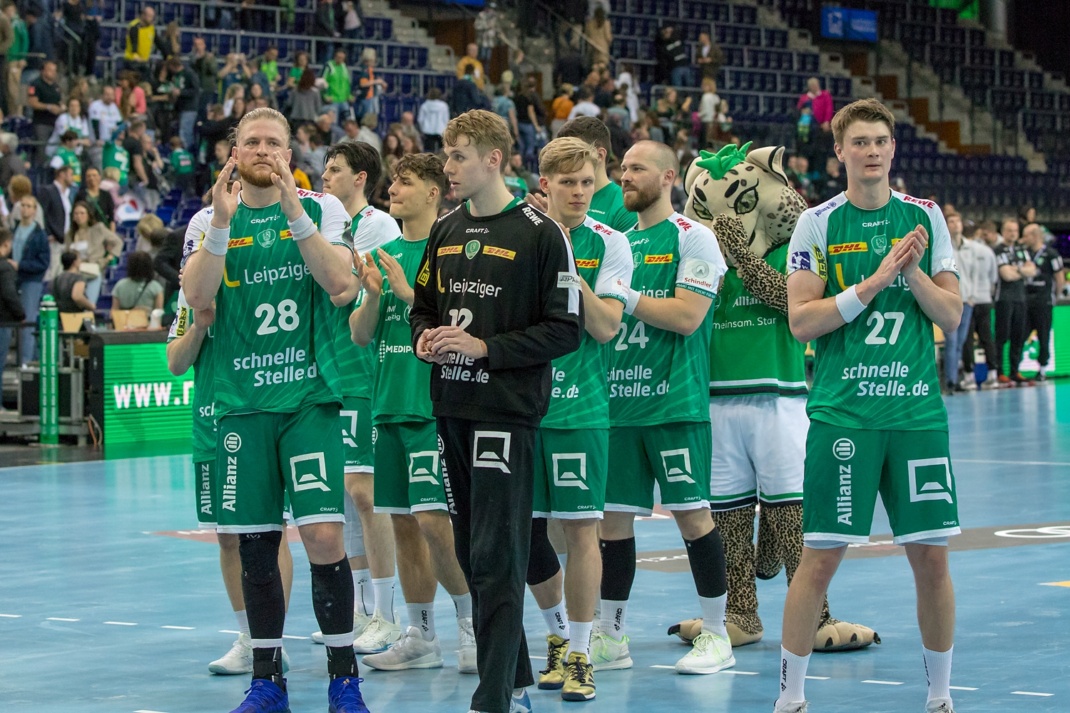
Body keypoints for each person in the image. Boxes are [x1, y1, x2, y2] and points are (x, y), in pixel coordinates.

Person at [775, 98, 962, 713]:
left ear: (893, 148)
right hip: (844, 417)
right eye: (860, 142)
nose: (872, 151)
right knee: (819, 559)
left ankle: (940, 697)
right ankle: (790, 698)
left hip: (915, 418)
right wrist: (876, 280)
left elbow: (951, 315)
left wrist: (911, 274)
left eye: (881, 140)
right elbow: (802, 322)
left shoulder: (924, 217)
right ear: (840, 152)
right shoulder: (817, 223)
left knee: (931, 559)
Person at [181, 107, 369, 712]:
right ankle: (267, 681)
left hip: (308, 400)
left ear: (290, 155)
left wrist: (293, 212)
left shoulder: (323, 209)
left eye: (274, 143)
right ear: (234, 153)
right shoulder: (208, 219)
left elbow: (341, 285)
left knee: (323, 536)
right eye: (251, 142)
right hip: (241, 405)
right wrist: (220, 224)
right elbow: (196, 297)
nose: (262, 150)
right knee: (256, 544)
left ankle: (344, 681)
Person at [409, 109, 583, 713]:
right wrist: (423, 339)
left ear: (493, 160)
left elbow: (565, 330)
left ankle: (493, 698)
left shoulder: (541, 233)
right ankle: (516, 683)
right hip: (451, 406)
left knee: (496, 556)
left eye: (458, 156)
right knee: (470, 552)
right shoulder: (445, 229)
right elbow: (422, 307)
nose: (448, 166)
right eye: (447, 154)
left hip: (506, 413)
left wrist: (485, 348)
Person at [590, 140, 731, 677]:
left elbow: (688, 316)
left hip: (674, 405)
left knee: (693, 518)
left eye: (637, 168)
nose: (625, 176)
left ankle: (717, 634)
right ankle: (611, 636)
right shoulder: (619, 242)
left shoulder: (694, 237)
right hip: (618, 407)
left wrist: (623, 296)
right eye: (622, 168)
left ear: (669, 176)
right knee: (611, 524)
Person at [344, 152, 477, 673]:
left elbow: (465, 322)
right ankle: (421, 635)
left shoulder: (453, 249)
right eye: (393, 182)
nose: (393, 190)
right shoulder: (382, 254)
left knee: (435, 523)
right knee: (402, 523)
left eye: (405, 182)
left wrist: (408, 293)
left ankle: (472, 624)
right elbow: (360, 334)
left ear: (433, 192)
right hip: (389, 407)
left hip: (433, 409)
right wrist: (374, 297)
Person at [519, 137, 631, 701]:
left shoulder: (610, 243)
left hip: (580, 409)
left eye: (587, 182)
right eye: (568, 183)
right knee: (526, 532)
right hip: (523, 408)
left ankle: (583, 653)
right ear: (545, 185)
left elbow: (606, 327)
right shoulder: (518, 236)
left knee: (584, 530)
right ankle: (559, 636)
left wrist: (567, 259)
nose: (580, 192)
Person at [166, 288, 296, 676]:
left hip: (258, 416)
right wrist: (200, 326)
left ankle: (273, 640)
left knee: (270, 530)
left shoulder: (255, 281)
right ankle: (249, 638)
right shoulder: (191, 294)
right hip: (210, 426)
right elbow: (176, 363)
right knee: (226, 536)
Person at [315, 140, 403, 654]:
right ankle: (362, 607)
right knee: (347, 498)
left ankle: (387, 613)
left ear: (361, 177)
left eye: (335, 170)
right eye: (324, 169)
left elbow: (344, 289)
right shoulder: (330, 226)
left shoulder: (375, 225)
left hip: (368, 371)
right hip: (336, 372)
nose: (325, 177)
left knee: (368, 494)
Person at [557, 116, 638, 233]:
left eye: (572, 153)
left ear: (599, 155)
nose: (563, 160)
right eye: (561, 153)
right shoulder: (558, 199)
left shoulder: (625, 207)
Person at [1021, 222, 1064, 381]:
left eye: (1026, 236)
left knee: (1044, 335)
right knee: (1020, 335)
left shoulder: (1051, 254)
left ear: (1035, 236)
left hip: (1043, 301)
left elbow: (1059, 277)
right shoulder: (1023, 253)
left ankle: (1043, 369)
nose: (1023, 239)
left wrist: (1055, 296)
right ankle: (1015, 369)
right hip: (1025, 301)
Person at [942, 212, 980, 392]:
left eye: (958, 221)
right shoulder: (942, 245)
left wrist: (973, 296)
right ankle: (950, 380)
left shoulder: (971, 248)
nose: (955, 224)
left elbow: (975, 274)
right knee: (951, 341)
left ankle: (955, 378)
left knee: (960, 342)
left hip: (967, 301)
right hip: (949, 301)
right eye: (951, 221)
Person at [993, 217, 1033, 385]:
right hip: (1004, 299)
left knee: (1018, 336)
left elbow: (1032, 270)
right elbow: (1006, 275)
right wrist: (1022, 270)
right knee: (1002, 336)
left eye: (1015, 231)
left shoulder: (1021, 250)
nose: (1013, 234)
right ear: (1003, 232)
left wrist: (1016, 269)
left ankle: (1015, 371)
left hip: (1021, 298)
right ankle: (1000, 372)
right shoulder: (998, 250)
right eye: (1009, 230)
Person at [960, 219, 999, 385]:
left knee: (967, 338)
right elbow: (994, 277)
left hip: (968, 299)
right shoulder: (987, 251)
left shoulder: (963, 251)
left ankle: (969, 376)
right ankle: (993, 375)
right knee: (987, 337)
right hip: (984, 299)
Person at [11, 194, 49, 364]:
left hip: (31, 279)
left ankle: (25, 360)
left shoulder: (39, 235)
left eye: (28, 206)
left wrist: (21, 265)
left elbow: (43, 263)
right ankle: (26, 356)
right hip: (14, 278)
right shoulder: (15, 230)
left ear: (34, 210)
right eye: (23, 205)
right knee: (15, 319)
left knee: (27, 319)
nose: (25, 209)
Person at [66, 200, 122, 305]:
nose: (79, 216)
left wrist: (108, 258)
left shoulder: (98, 229)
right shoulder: (70, 234)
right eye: (76, 213)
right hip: (76, 274)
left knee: (89, 302)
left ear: (88, 215)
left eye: (82, 213)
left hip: (93, 271)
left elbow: (117, 242)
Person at [27, 60, 63, 163]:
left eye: (54, 70)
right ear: (43, 71)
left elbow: (59, 100)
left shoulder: (56, 86)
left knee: (54, 149)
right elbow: (32, 102)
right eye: (50, 70)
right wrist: (49, 107)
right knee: (42, 150)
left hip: (55, 122)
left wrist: (61, 107)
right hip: (41, 123)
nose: (53, 73)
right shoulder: (36, 84)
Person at [109, 250, 163, 316]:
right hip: (147, 322)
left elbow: (114, 312)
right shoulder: (156, 287)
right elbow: (159, 313)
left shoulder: (119, 285)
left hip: (125, 321)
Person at [0, 229, 24, 369]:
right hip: (3, 321)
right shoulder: (5, 268)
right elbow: (9, 294)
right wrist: (20, 314)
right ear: (6, 244)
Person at [39, 165, 75, 250]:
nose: (73, 178)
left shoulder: (68, 194)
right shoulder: (48, 191)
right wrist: (48, 234)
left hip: (67, 238)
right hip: (53, 240)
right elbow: (42, 214)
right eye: (71, 174)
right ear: (62, 174)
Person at [122, 5, 162, 79]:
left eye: (152, 17)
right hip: (132, 61)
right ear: (143, 15)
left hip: (143, 61)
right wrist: (135, 54)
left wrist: (167, 55)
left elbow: (159, 42)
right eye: (150, 16)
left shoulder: (151, 28)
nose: (152, 19)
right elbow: (134, 41)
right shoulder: (134, 26)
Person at [74, 166, 117, 231]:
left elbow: (111, 217)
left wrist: (112, 233)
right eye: (89, 176)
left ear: (99, 177)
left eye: (94, 175)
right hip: (86, 231)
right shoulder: (81, 195)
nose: (91, 178)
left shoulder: (106, 195)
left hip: (103, 231)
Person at [323, 48, 354, 126]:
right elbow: (322, 82)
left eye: (342, 58)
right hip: (333, 99)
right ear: (335, 56)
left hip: (344, 100)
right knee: (333, 123)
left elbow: (347, 83)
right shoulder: (329, 66)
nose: (340, 60)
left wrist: (349, 96)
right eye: (339, 57)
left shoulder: (344, 67)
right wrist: (325, 96)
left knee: (349, 121)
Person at [356, 48, 387, 122]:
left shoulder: (370, 70)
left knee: (372, 118)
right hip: (366, 98)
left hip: (372, 97)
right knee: (367, 118)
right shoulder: (365, 70)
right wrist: (377, 81)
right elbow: (363, 84)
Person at [417, 87, 449, 154]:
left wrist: (422, 129)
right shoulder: (444, 106)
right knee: (443, 152)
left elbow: (420, 119)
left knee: (428, 152)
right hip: (441, 130)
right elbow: (446, 119)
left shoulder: (424, 105)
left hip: (427, 131)